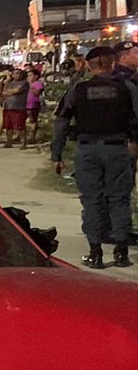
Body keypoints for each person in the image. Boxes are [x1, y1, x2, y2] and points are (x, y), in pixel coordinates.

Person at [51, 45, 138, 269]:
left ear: (89, 65)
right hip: (117, 149)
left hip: (87, 149)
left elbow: (61, 121)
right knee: (119, 199)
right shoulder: (126, 87)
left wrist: (57, 153)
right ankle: (121, 252)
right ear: (111, 64)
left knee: (92, 200)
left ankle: (95, 253)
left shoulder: (78, 89)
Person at [0, 67, 30, 147]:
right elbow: (3, 92)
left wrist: (10, 92)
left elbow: (17, 90)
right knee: (8, 126)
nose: (16, 75)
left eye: (18, 73)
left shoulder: (24, 83)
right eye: (15, 73)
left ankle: (24, 143)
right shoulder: (10, 83)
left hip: (18, 107)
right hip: (8, 107)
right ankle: (9, 142)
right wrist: (11, 91)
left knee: (20, 126)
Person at [24, 67, 46, 147]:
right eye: (28, 75)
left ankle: (32, 137)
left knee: (33, 120)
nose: (28, 77)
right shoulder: (26, 83)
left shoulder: (38, 83)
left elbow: (37, 93)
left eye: (30, 75)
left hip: (33, 104)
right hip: (25, 104)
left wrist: (30, 84)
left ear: (36, 76)